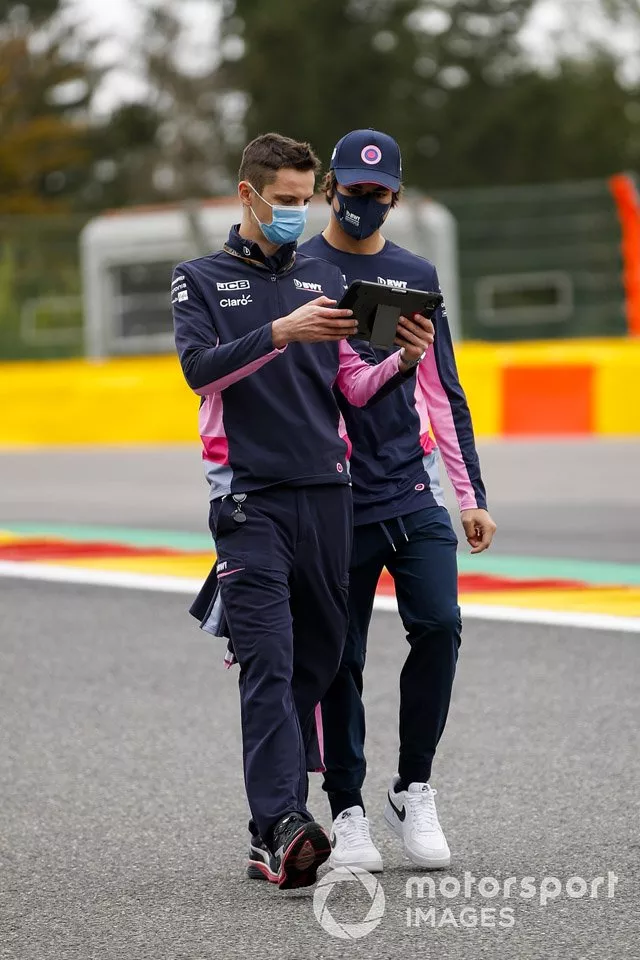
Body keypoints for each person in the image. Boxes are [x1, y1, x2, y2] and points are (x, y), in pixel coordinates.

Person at [171, 132, 435, 889]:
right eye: (284, 200)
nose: (296, 212)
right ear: (248, 195)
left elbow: (353, 386)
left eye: (303, 199)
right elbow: (198, 372)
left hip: (329, 497)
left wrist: (404, 359)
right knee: (269, 661)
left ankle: (273, 829)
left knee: (320, 662)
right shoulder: (198, 279)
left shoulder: (324, 283)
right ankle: (284, 822)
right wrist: (281, 332)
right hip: (249, 501)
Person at [298, 129, 497, 872]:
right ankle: (346, 809)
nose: (365, 203)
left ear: (397, 197)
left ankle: (414, 787)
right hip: (332, 498)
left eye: (379, 193)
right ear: (330, 188)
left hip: (412, 489)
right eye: (354, 190)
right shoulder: (300, 270)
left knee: (440, 625)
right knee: (340, 658)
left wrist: (470, 495)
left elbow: (444, 390)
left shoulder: (415, 273)